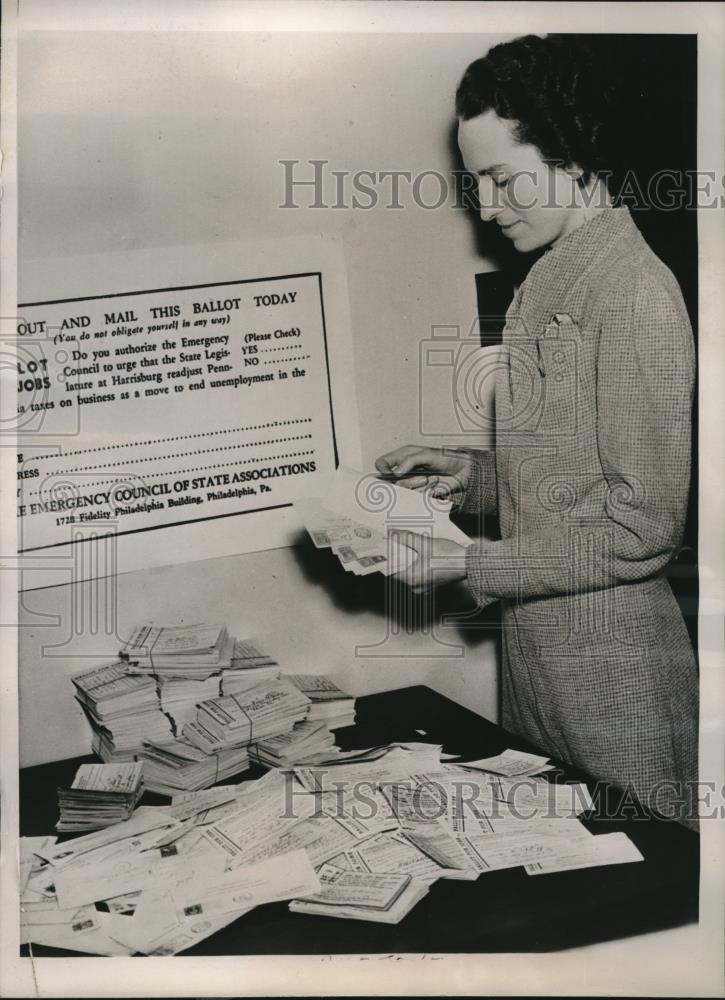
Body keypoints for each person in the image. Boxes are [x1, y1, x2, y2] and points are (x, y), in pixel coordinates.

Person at [376, 34, 698, 827]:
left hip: (611, 672)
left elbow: (644, 522)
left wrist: (470, 560)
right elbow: (574, 471)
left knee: (627, 891)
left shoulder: (631, 294)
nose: (486, 207)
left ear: (571, 154)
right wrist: (471, 475)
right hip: (540, 655)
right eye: (474, 183)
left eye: (498, 179)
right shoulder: (556, 272)